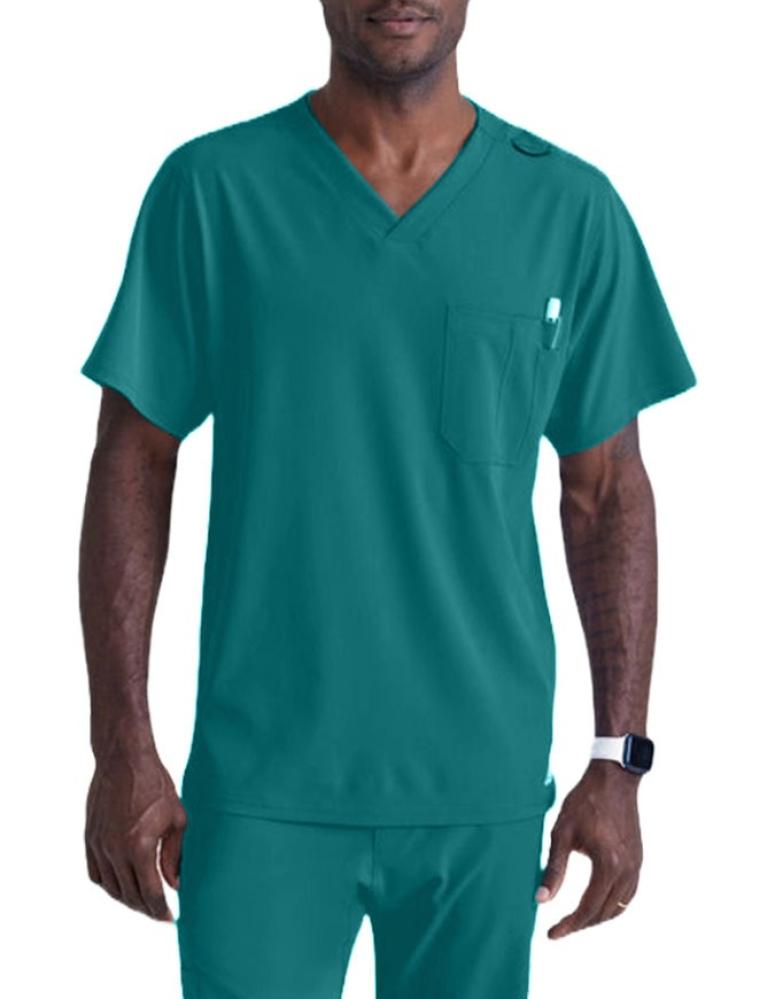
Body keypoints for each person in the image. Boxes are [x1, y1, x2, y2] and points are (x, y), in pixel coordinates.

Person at [78, 1, 698, 996]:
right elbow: (133, 463)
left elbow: (606, 493)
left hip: (482, 790)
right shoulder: (213, 190)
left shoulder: (568, 210)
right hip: (260, 785)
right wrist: (121, 747)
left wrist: (615, 761)